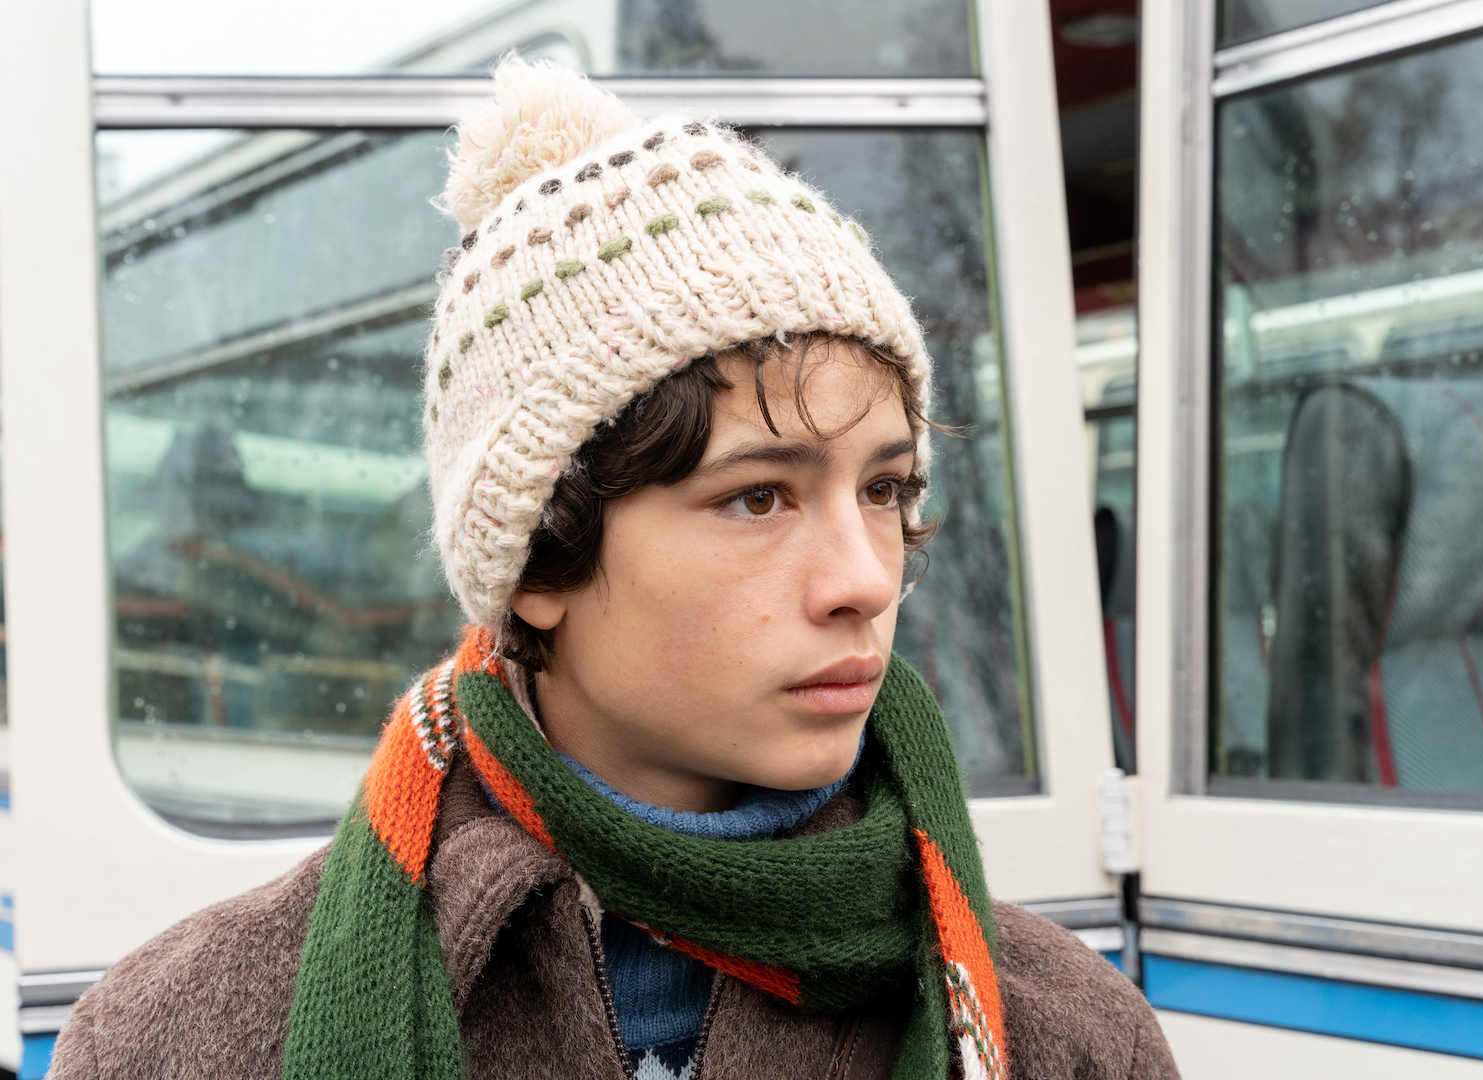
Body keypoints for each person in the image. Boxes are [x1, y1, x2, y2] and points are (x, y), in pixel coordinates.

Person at [47, 59, 1178, 1080]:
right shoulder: (175, 1042)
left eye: (884, 489)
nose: (866, 581)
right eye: (758, 497)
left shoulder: (1075, 1039)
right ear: (537, 559)